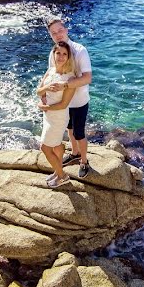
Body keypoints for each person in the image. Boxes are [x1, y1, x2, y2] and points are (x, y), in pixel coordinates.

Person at [44, 18, 92, 178]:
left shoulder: (80, 50)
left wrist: (66, 85)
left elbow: (87, 78)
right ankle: (75, 153)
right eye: (53, 33)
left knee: (79, 133)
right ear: (51, 36)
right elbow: (50, 75)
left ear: (66, 30)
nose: (58, 35)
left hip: (79, 102)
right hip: (62, 103)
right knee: (69, 129)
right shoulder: (54, 52)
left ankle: (84, 161)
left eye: (60, 30)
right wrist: (43, 96)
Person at [37, 41, 76, 187]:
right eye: (58, 53)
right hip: (47, 115)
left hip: (58, 117)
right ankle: (57, 169)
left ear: (68, 57)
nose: (60, 56)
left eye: (64, 54)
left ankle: (62, 176)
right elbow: (38, 91)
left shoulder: (70, 79)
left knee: (45, 148)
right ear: (53, 54)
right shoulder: (50, 71)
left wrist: (44, 107)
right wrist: (46, 87)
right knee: (57, 145)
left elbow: (64, 104)